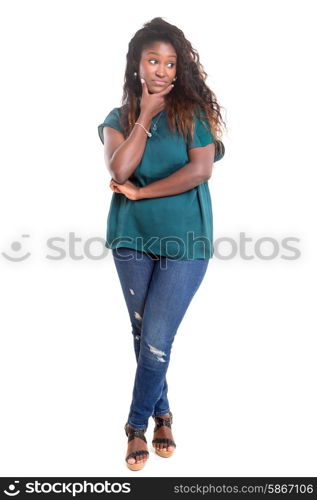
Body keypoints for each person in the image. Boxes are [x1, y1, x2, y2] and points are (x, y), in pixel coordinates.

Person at [97, 17, 226, 471]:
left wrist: (141, 191)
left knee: (156, 336)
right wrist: (146, 117)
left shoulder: (193, 115)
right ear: (137, 66)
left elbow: (200, 171)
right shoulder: (118, 120)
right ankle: (164, 416)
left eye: (171, 63)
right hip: (131, 240)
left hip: (186, 241)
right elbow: (119, 169)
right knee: (145, 334)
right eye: (153, 61)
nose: (163, 71)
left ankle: (135, 425)